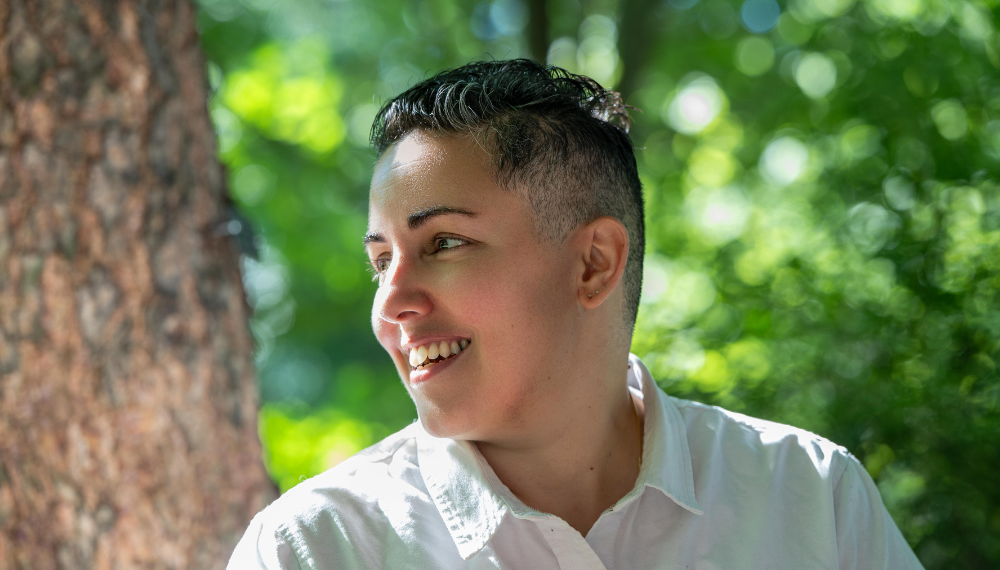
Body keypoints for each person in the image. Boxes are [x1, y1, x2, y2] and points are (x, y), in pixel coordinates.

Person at [227, 59, 923, 570]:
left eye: (443, 243)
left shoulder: (810, 499)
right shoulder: (313, 548)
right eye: (382, 260)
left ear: (592, 264)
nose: (392, 303)